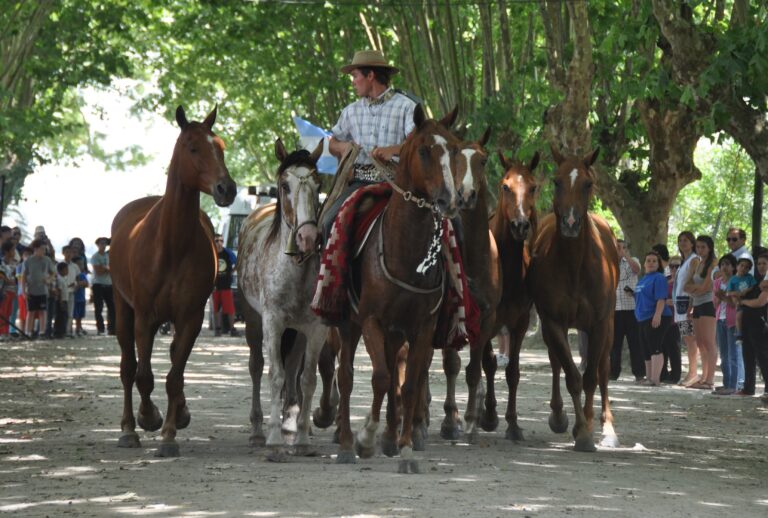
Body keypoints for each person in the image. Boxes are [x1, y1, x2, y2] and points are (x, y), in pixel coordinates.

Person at [320, 49, 418, 240]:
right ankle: (328, 262)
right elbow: (331, 142)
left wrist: (394, 150)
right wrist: (341, 147)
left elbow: (418, 144)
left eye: (355, 75)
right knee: (327, 222)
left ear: (370, 75)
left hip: (398, 183)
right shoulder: (350, 111)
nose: (353, 82)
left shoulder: (406, 106)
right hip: (358, 183)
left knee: (437, 221)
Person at [683, 235, 718, 390]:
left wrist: (695, 289)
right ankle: (703, 378)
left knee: (709, 342)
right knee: (700, 343)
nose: (700, 250)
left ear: (710, 248)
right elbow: (685, 286)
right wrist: (695, 290)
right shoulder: (697, 263)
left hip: (708, 304)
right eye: (698, 247)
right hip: (696, 305)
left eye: (703, 247)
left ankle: (710, 380)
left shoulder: (714, 263)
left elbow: (706, 287)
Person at [634, 251, 673, 386]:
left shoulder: (659, 278)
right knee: (646, 349)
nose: (651, 263)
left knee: (655, 347)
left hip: (656, 316)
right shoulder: (643, 279)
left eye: (654, 261)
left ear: (658, 264)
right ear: (644, 263)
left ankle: (655, 379)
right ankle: (649, 377)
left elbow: (661, 298)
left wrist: (657, 315)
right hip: (642, 318)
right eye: (648, 260)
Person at [610, 238, 643, 381]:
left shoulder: (632, 260)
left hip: (632, 309)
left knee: (635, 343)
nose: (620, 249)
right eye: (617, 247)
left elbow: (637, 270)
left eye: (623, 247)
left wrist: (626, 256)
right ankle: (613, 373)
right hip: (615, 310)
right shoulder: (608, 262)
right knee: (614, 344)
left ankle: (639, 373)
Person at [736, 253, 768, 399]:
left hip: (760, 323)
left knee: (762, 356)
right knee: (748, 354)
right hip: (747, 322)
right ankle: (748, 388)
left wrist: (743, 302)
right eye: (759, 263)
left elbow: (760, 302)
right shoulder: (754, 282)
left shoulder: (766, 283)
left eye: (764, 263)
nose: (761, 266)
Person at [672, 231, 700, 386]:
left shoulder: (694, 260)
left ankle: (693, 373)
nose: (682, 243)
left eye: (686, 240)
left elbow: (694, 283)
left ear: (692, 243)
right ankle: (692, 372)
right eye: (680, 240)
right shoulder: (684, 261)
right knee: (687, 339)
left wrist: (692, 305)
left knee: (691, 339)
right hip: (680, 305)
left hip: (687, 304)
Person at [712, 254, 741, 395]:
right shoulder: (717, 282)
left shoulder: (736, 282)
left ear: (734, 267)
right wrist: (720, 297)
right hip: (720, 320)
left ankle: (733, 385)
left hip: (732, 321)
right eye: (722, 264)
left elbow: (734, 304)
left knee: (733, 354)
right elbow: (715, 303)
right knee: (723, 355)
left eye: (728, 264)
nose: (724, 267)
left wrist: (724, 296)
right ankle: (726, 383)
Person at [23, 239, 55, 338]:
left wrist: (49, 280)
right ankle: (28, 331)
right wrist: (23, 291)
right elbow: (23, 276)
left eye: (45, 249)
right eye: (42, 249)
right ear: (35, 249)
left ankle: (42, 332)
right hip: (31, 290)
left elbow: (53, 273)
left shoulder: (47, 260)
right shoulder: (28, 260)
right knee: (31, 311)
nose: (43, 251)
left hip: (43, 290)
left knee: (42, 311)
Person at [660, 255, 682, 384]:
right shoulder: (664, 280)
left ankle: (675, 375)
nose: (674, 269)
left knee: (675, 348)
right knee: (662, 347)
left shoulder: (683, 281)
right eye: (671, 266)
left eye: (677, 266)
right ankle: (662, 374)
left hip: (679, 319)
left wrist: (672, 302)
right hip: (663, 318)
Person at [726, 257, 757, 347]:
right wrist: (736, 293)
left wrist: (746, 291)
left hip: (749, 298)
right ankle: (739, 334)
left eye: (746, 267)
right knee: (738, 316)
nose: (743, 268)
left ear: (749, 270)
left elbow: (753, 286)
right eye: (742, 266)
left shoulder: (749, 277)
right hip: (738, 299)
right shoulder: (732, 279)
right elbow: (728, 292)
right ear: (737, 266)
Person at [212, 233, 239, 337]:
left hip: (226, 285)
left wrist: (232, 271)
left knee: (230, 309)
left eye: (221, 241)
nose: (219, 243)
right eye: (217, 241)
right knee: (216, 309)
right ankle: (218, 329)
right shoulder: (212, 253)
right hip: (215, 286)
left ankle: (232, 329)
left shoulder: (228, 253)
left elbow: (237, 262)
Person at [91, 237, 115, 336]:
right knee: (99, 308)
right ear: (97, 245)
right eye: (101, 243)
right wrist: (107, 268)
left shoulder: (108, 256)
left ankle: (112, 328)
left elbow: (113, 268)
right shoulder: (95, 257)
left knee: (112, 307)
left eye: (105, 243)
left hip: (109, 284)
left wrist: (105, 268)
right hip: (98, 284)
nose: (103, 245)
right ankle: (100, 328)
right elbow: (98, 271)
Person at [0, 241, 19, 340]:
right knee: (2, 312)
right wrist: (8, 281)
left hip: (12, 291)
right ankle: (2, 333)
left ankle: (6, 332)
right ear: (6, 251)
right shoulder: (1, 263)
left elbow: (16, 278)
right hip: (4, 291)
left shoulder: (14, 264)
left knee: (8, 312)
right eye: (12, 250)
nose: (14, 252)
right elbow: (2, 277)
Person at [53, 262, 70, 339]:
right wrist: (60, 301)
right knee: (60, 317)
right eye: (66, 269)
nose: (67, 271)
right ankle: (58, 332)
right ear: (60, 270)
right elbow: (59, 291)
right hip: (61, 300)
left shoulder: (64, 279)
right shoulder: (59, 279)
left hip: (65, 299)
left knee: (65, 316)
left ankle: (63, 331)